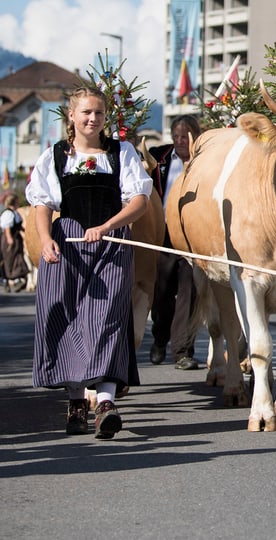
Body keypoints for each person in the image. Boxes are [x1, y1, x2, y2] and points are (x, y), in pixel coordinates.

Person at [26, 86, 152, 439]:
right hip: (67, 242)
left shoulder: (121, 153)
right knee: (65, 316)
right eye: (85, 113)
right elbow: (42, 205)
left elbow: (139, 200)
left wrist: (108, 226)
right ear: (71, 116)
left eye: (98, 113)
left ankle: (107, 402)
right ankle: (76, 401)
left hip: (111, 243)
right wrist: (46, 240)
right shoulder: (54, 156)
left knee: (107, 317)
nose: (92, 118)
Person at [149, 115, 203, 369]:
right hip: (164, 233)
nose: (181, 141)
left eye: (186, 136)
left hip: (193, 234)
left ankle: (183, 350)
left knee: (189, 292)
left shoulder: (204, 161)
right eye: (177, 136)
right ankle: (160, 338)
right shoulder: (158, 156)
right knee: (161, 292)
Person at [1, 192, 29, 292]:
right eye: (17, 201)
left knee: (18, 258)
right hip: (10, 239)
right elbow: (7, 228)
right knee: (9, 259)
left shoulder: (15, 213)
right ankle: (8, 280)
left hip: (17, 239)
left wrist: (27, 231)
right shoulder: (8, 213)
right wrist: (9, 239)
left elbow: (19, 226)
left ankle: (19, 280)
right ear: (14, 202)